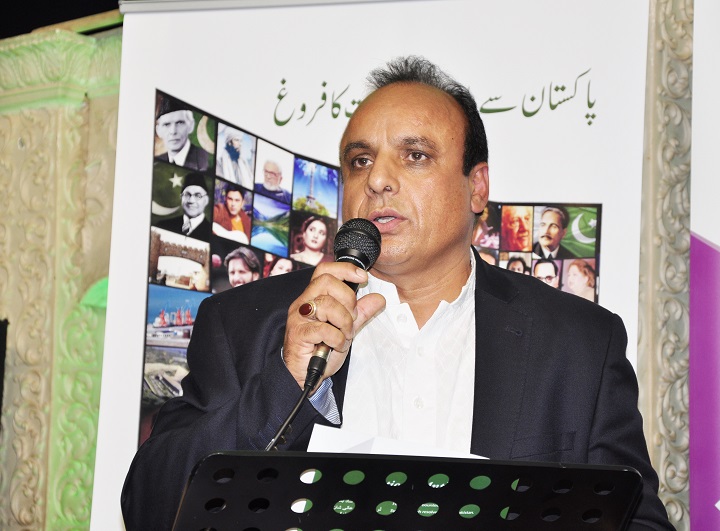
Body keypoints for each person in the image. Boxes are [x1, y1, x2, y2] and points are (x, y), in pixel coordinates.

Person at [122, 56, 674, 531]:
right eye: (360, 161)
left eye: (414, 155)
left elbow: (636, 521)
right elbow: (150, 507)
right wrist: (287, 380)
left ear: (477, 186)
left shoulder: (578, 343)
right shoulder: (244, 322)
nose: (378, 180)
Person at [154, 98, 210, 171]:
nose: (173, 131)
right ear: (158, 131)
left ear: (191, 126)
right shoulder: (157, 163)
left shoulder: (205, 160)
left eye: (180, 123)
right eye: (167, 124)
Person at [154, 173, 211, 240]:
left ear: (206, 200)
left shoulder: (211, 232)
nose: (191, 201)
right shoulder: (163, 226)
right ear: (181, 197)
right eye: (187, 195)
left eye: (198, 196)